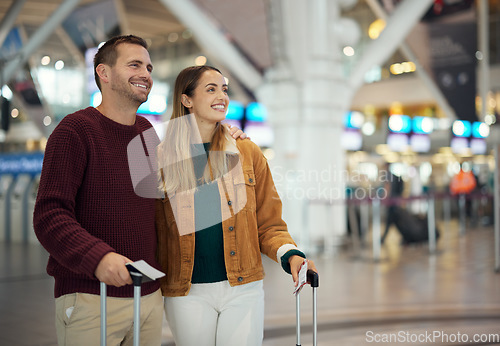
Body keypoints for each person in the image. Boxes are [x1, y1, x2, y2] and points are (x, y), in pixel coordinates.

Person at [33, 35, 246, 345]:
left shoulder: (146, 132)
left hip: (147, 298)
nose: (145, 74)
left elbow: (172, 199)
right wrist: (99, 258)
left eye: (148, 67)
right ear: (103, 74)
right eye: (134, 64)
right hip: (93, 297)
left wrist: (220, 136)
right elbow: (50, 215)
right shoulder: (75, 131)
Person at [155, 65, 318, 346]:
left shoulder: (246, 151)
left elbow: (269, 223)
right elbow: (151, 229)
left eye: (224, 89)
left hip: (244, 287)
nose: (222, 96)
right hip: (185, 291)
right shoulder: (161, 158)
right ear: (186, 100)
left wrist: (290, 254)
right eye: (211, 89)